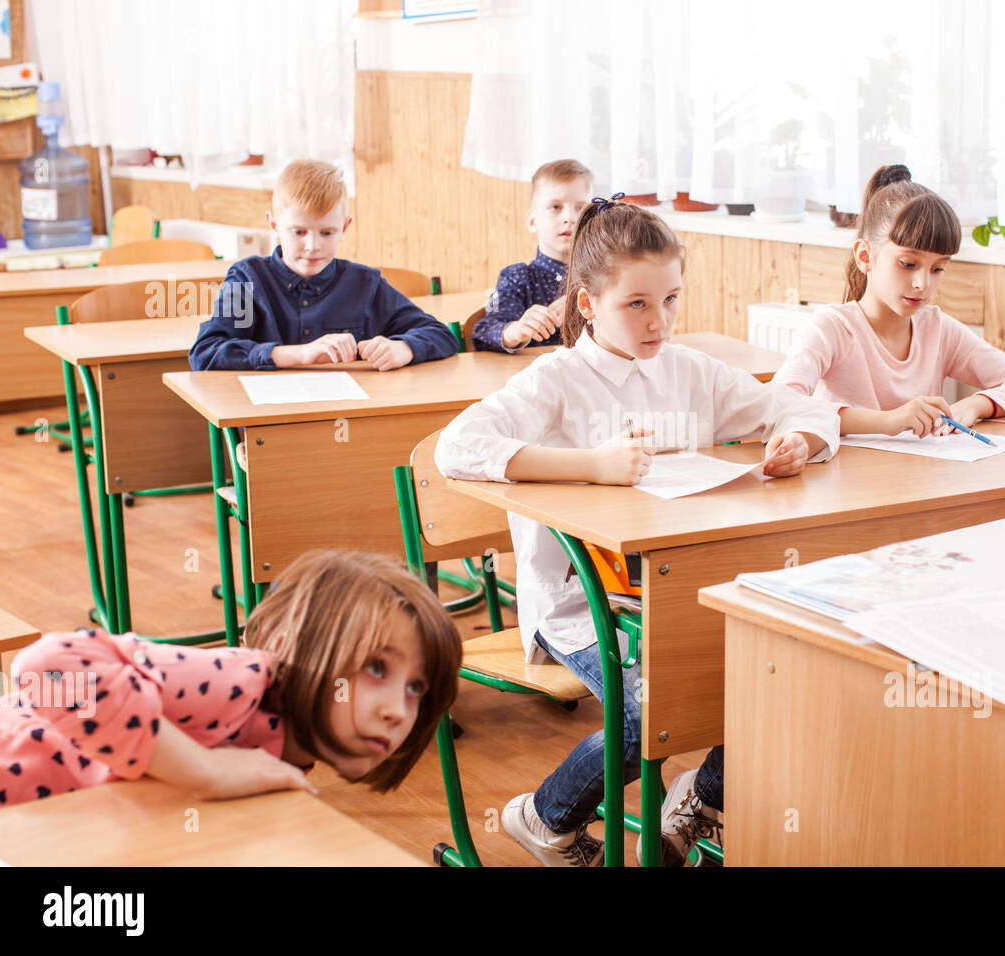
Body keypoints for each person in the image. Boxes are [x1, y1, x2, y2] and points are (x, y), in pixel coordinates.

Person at [435, 196, 839, 865]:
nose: (660, 321)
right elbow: (458, 447)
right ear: (588, 304)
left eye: (671, 300)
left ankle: (702, 797)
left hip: (681, 595)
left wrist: (798, 438)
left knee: (777, 667)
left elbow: (801, 408)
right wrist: (591, 466)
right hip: (582, 609)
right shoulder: (557, 380)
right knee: (653, 707)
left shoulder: (689, 371)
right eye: (638, 305)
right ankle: (544, 815)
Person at [0, 550, 461, 808]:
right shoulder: (239, 682)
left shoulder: (285, 752)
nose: (398, 711)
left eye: (415, 688)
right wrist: (203, 770)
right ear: (297, 647)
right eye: (376, 668)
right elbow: (45, 669)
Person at [775, 164, 1005, 437]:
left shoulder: (938, 329)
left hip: (917, 481)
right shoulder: (833, 328)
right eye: (908, 264)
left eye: (937, 269)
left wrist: (976, 405)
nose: (923, 284)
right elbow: (778, 404)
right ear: (865, 256)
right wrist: (886, 421)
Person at [190, 159, 457, 371]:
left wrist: (404, 348)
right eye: (298, 232)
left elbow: (441, 335)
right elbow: (207, 352)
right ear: (273, 225)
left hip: (348, 417)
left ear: (345, 227)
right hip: (266, 424)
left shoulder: (364, 284)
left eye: (327, 233)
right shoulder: (248, 280)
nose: (312, 245)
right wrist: (299, 354)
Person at [470, 159, 593, 352]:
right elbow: (484, 332)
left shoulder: (603, 277)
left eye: (580, 207)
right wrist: (516, 330)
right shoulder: (517, 277)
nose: (570, 218)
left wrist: (591, 302)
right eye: (555, 207)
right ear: (533, 221)